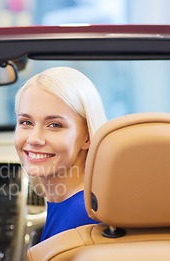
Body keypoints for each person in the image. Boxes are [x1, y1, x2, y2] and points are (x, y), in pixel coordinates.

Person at [14, 66, 107, 241]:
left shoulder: (85, 218)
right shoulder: (68, 203)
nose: (34, 139)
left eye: (55, 125)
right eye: (26, 122)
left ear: (87, 136)